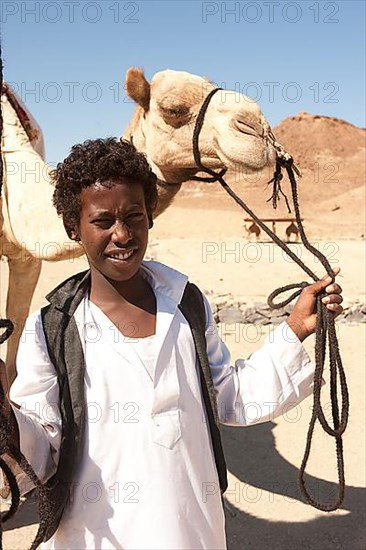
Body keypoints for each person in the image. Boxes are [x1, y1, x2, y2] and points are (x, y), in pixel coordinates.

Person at [0, 138, 343, 550]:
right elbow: (40, 448)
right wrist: (6, 419)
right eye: (103, 221)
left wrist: (295, 329)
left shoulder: (187, 304)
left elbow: (228, 395)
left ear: (150, 218)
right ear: (74, 227)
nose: (122, 234)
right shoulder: (51, 326)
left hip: (193, 529)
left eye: (134, 216)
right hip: (96, 534)